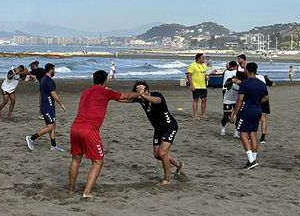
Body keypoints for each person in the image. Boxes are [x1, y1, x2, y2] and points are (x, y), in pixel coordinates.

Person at [67, 70, 143, 198]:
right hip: (89, 130)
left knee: (75, 160)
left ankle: (71, 189)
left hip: (75, 128)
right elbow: (124, 96)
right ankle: (87, 192)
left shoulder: (85, 92)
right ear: (105, 81)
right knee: (98, 162)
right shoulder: (106, 91)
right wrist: (139, 93)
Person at [133, 80, 183, 184]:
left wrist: (142, 95)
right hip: (158, 129)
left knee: (162, 153)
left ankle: (166, 178)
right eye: (137, 89)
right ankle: (177, 163)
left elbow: (157, 101)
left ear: (147, 89)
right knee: (157, 155)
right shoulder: (140, 99)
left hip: (170, 127)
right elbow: (125, 98)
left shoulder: (156, 95)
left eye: (142, 89)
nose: (140, 91)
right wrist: (110, 95)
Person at [230, 62, 268, 169]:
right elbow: (266, 97)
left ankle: (251, 160)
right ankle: (253, 159)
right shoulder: (261, 84)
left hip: (247, 110)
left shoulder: (245, 83)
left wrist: (234, 113)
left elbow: (240, 99)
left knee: (242, 134)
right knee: (253, 134)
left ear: (247, 70)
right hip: (258, 110)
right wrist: (257, 101)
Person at [26, 63, 66, 152]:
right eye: (54, 70)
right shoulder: (48, 80)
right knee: (50, 126)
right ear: (51, 70)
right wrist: (61, 103)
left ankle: (53, 146)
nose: (55, 72)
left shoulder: (43, 79)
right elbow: (53, 94)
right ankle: (31, 138)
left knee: (52, 125)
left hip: (49, 106)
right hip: (47, 106)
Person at [186, 53, 209, 120]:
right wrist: (191, 85)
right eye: (202, 58)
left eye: (203, 58)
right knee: (196, 99)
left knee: (204, 99)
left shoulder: (204, 65)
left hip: (203, 86)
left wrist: (207, 78)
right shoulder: (192, 65)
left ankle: (203, 114)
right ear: (198, 58)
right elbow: (189, 76)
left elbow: (206, 74)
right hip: (196, 85)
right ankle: (195, 114)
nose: (203, 59)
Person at [219, 61, 240, 136]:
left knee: (238, 115)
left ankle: (236, 131)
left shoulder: (227, 71)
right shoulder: (231, 75)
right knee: (226, 115)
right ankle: (223, 128)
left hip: (236, 98)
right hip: (228, 97)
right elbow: (226, 84)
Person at [256, 71, 275, 143]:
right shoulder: (262, 77)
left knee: (254, 117)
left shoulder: (249, 78)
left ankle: (251, 135)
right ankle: (263, 137)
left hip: (255, 99)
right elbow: (273, 84)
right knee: (263, 118)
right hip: (264, 98)